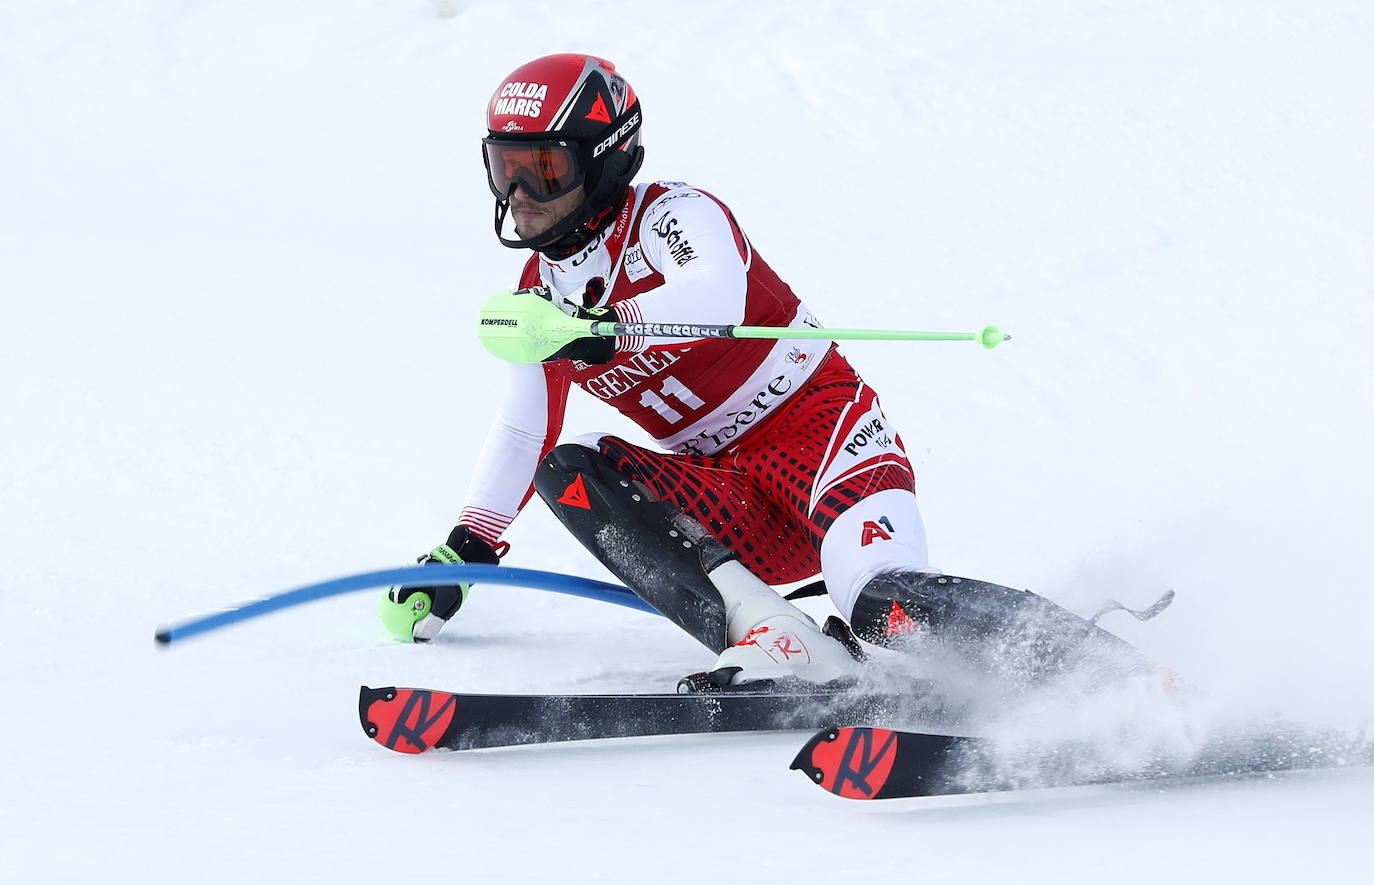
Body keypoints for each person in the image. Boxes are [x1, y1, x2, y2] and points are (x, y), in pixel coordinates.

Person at [379, 53, 1146, 690]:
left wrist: (604, 334)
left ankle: (1114, 675)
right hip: (729, 490)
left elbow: (710, 291)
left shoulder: (672, 216)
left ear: (607, 161)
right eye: (503, 169)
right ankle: (780, 636)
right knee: (570, 467)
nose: (519, 199)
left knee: (883, 603)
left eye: (543, 171)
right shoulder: (539, 299)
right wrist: (466, 551)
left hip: (821, 436)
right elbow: (522, 426)